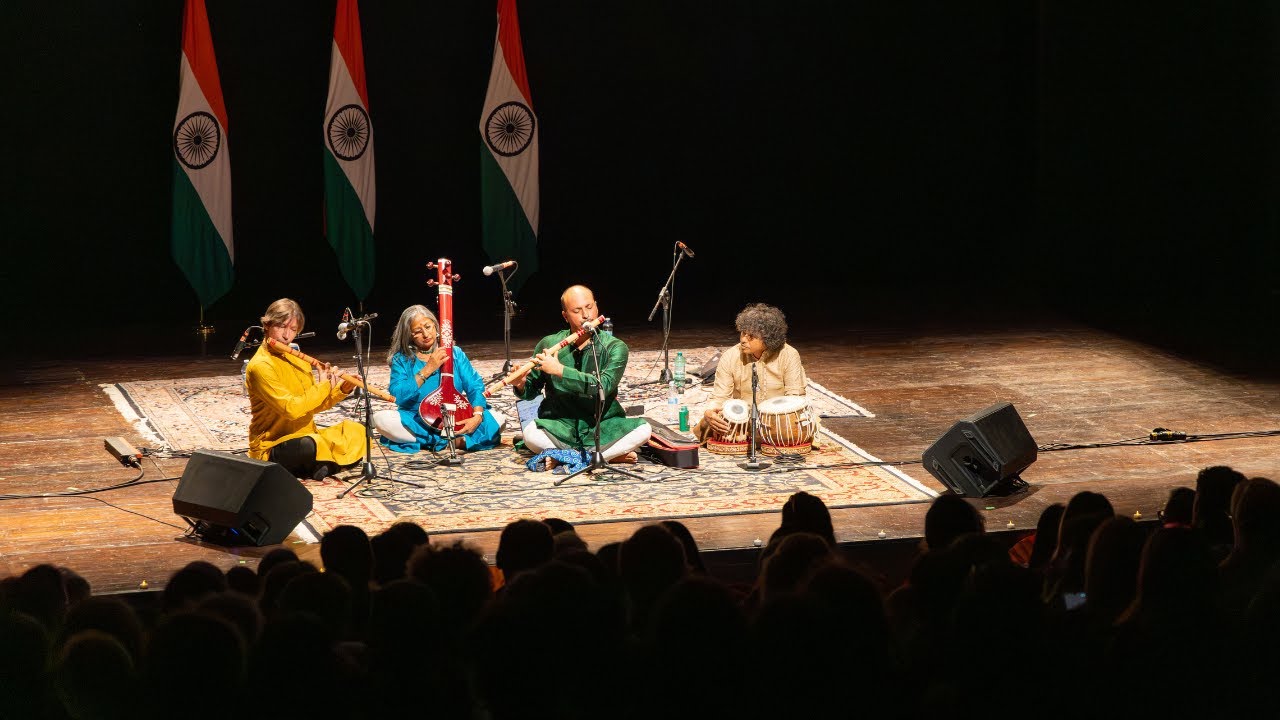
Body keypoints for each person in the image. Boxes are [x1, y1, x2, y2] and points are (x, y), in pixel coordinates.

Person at [513, 285, 651, 462]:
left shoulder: (615, 347)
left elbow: (603, 386)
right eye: (577, 310)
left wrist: (560, 371)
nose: (586, 315)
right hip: (561, 422)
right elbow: (531, 391)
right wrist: (520, 383)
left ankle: (565, 457)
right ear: (565, 316)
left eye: (589, 307)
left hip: (602, 423)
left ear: (597, 307)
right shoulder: (549, 343)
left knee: (644, 429)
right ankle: (603, 456)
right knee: (530, 433)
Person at [244, 298, 365, 479]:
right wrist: (323, 385)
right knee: (309, 446)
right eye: (281, 327)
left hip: (308, 434)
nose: (286, 336)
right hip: (274, 445)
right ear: (267, 325)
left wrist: (341, 390)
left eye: (293, 330)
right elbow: (292, 410)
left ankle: (320, 465)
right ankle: (326, 464)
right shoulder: (260, 366)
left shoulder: (298, 359)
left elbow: (313, 406)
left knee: (357, 431)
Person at [372, 305, 503, 453]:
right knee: (382, 420)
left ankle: (443, 440)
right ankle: (454, 441)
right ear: (408, 335)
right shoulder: (402, 359)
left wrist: (477, 415)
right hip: (418, 419)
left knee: (499, 419)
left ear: (436, 326)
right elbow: (398, 395)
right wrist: (428, 369)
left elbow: (475, 386)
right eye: (418, 332)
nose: (426, 334)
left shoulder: (455, 353)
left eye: (428, 327)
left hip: (455, 417)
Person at [696, 303, 811, 443]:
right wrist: (710, 411)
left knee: (800, 426)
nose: (743, 339)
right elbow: (719, 397)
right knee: (708, 424)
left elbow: (795, 398)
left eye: (751, 336)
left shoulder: (788, 355)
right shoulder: (730, 356)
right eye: (743, 333)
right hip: (742, 419)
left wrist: (778, 420)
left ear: (768, 338)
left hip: (778, 418)